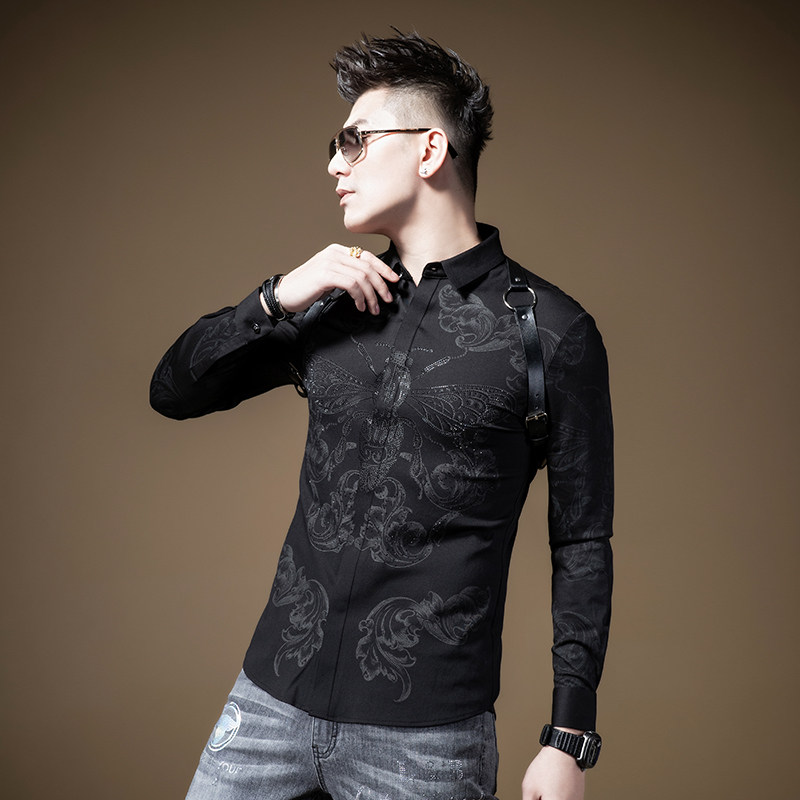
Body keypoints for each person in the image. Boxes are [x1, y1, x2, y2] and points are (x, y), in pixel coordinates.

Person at [150, 31, 613, 800]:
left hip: (427, 744)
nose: (336, 164)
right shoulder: (333, 305)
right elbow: (173, 391)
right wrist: (276, 296)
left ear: (430, 150)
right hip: (266, 707)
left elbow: (582, 540)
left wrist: (569, 737)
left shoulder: (552, 332)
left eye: (355, 141)